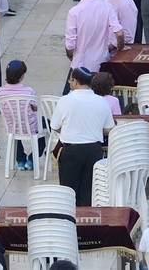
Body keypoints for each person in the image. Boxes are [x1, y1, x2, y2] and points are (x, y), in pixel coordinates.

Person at [49, 67, 113, 205]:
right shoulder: (102, 101)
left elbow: (55, 126)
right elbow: (108, 129)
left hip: (71, 151)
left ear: (76, 82)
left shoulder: (65, 100)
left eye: (71, 80)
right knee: (89, 192)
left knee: (68, 192)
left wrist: (71, 130)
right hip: (93, 151)